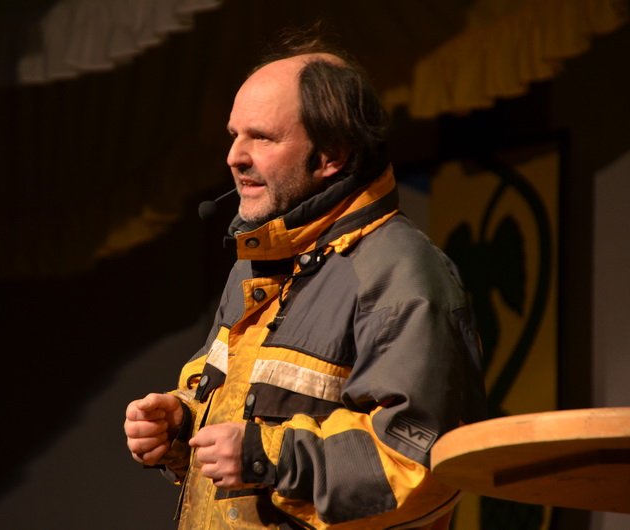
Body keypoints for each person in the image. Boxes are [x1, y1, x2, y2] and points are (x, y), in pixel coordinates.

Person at [124, 31, 487, 529]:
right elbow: (242, 417)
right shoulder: (258, 264)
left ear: (331, 155)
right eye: (234, 134)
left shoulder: (400, 272)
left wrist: (266, 457)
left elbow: (423, 464)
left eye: (262, 137)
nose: (234, 156)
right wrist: (181, 423)